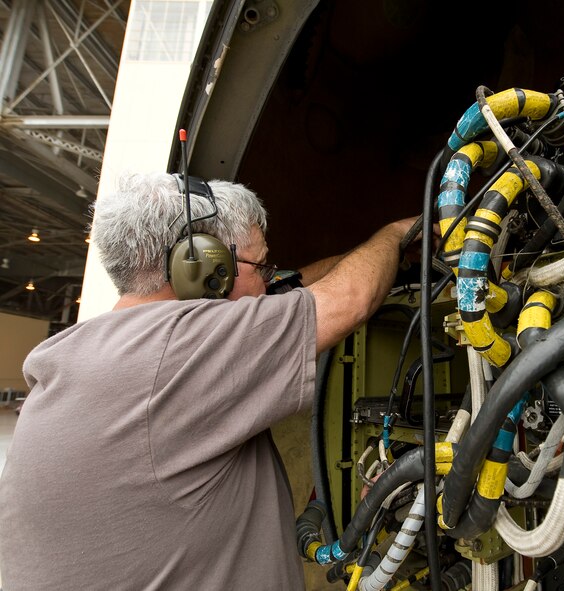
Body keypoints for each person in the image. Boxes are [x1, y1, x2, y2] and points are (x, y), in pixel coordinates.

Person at [0, 172, 421, 590]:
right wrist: (396, 234)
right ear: (205, 266)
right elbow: (350, 299)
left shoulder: (94, 351)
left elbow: (286, 289)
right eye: (260, 265)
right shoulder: (183, 350)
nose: (267, 281)